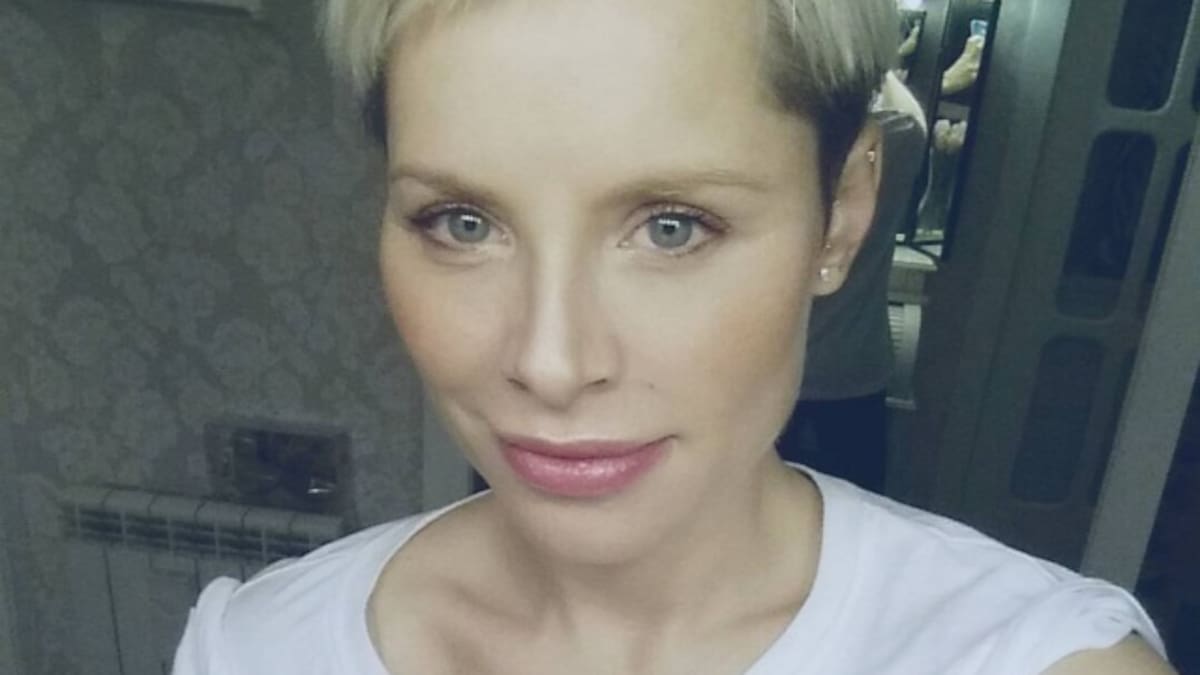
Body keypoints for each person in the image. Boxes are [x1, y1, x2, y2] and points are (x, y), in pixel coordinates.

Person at [173, 0, 1175, 672]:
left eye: (671, 227)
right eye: (463, 223)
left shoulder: (1033, 662)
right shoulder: (258, 650)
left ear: (841, 216)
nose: (551, 362)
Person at [776, 72, 927, 494]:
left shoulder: (786, 140)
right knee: (859, 503)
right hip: (855, 369)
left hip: (779, 368)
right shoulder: (896, 141)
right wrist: (887, 68)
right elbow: (913, 117)